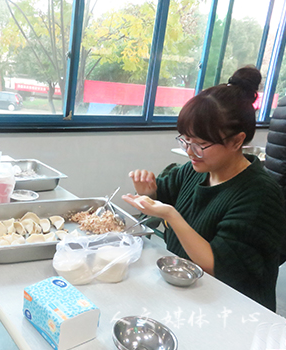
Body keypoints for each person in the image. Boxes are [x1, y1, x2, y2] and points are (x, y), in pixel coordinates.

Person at [122, 66, 286, 311]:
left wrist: (171, 215)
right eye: (185, 140)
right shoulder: (193, 171)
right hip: (187, 293)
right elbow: (160, 198)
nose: (189, 152)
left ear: (237, 141)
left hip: (236, 310)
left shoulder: (259, 195)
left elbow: (216, 265)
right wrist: (148, 192)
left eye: (200, 144)